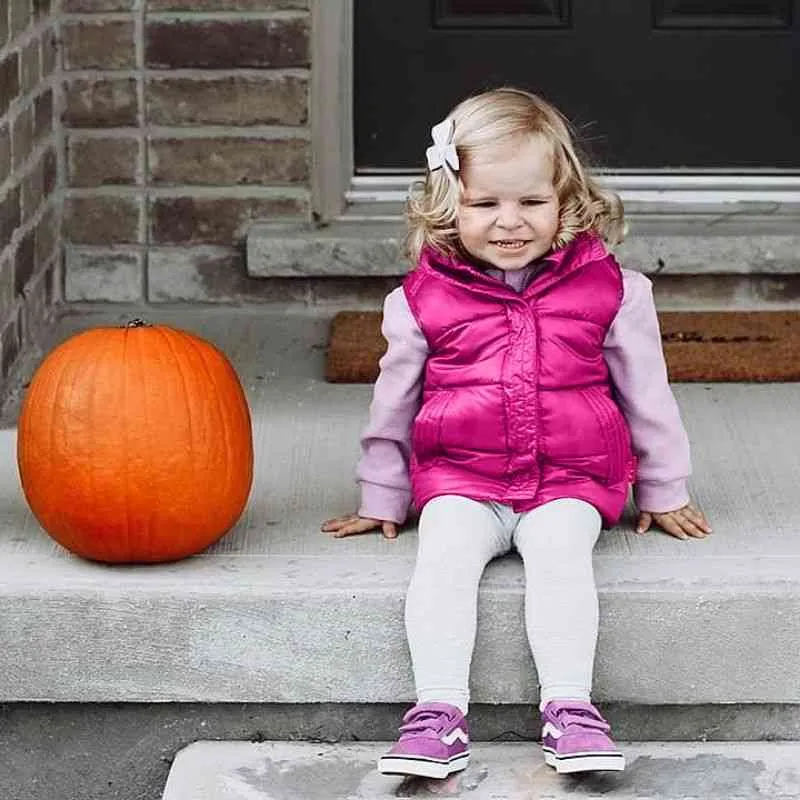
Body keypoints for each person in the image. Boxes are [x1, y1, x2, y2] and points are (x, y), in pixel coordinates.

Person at [321, 87, 711, 778]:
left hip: (570, 479)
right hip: (461, 479)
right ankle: (436, 715)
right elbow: (394, 403)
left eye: (531, 202)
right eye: (485, 204)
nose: (509, 223)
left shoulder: (612, 290)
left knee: (561, 558)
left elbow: (647, 395)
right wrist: (382, 494)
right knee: (441, 559)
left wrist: (663, 487)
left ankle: (571, 709)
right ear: (450, 204)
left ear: (566, 201)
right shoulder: (420, 299)